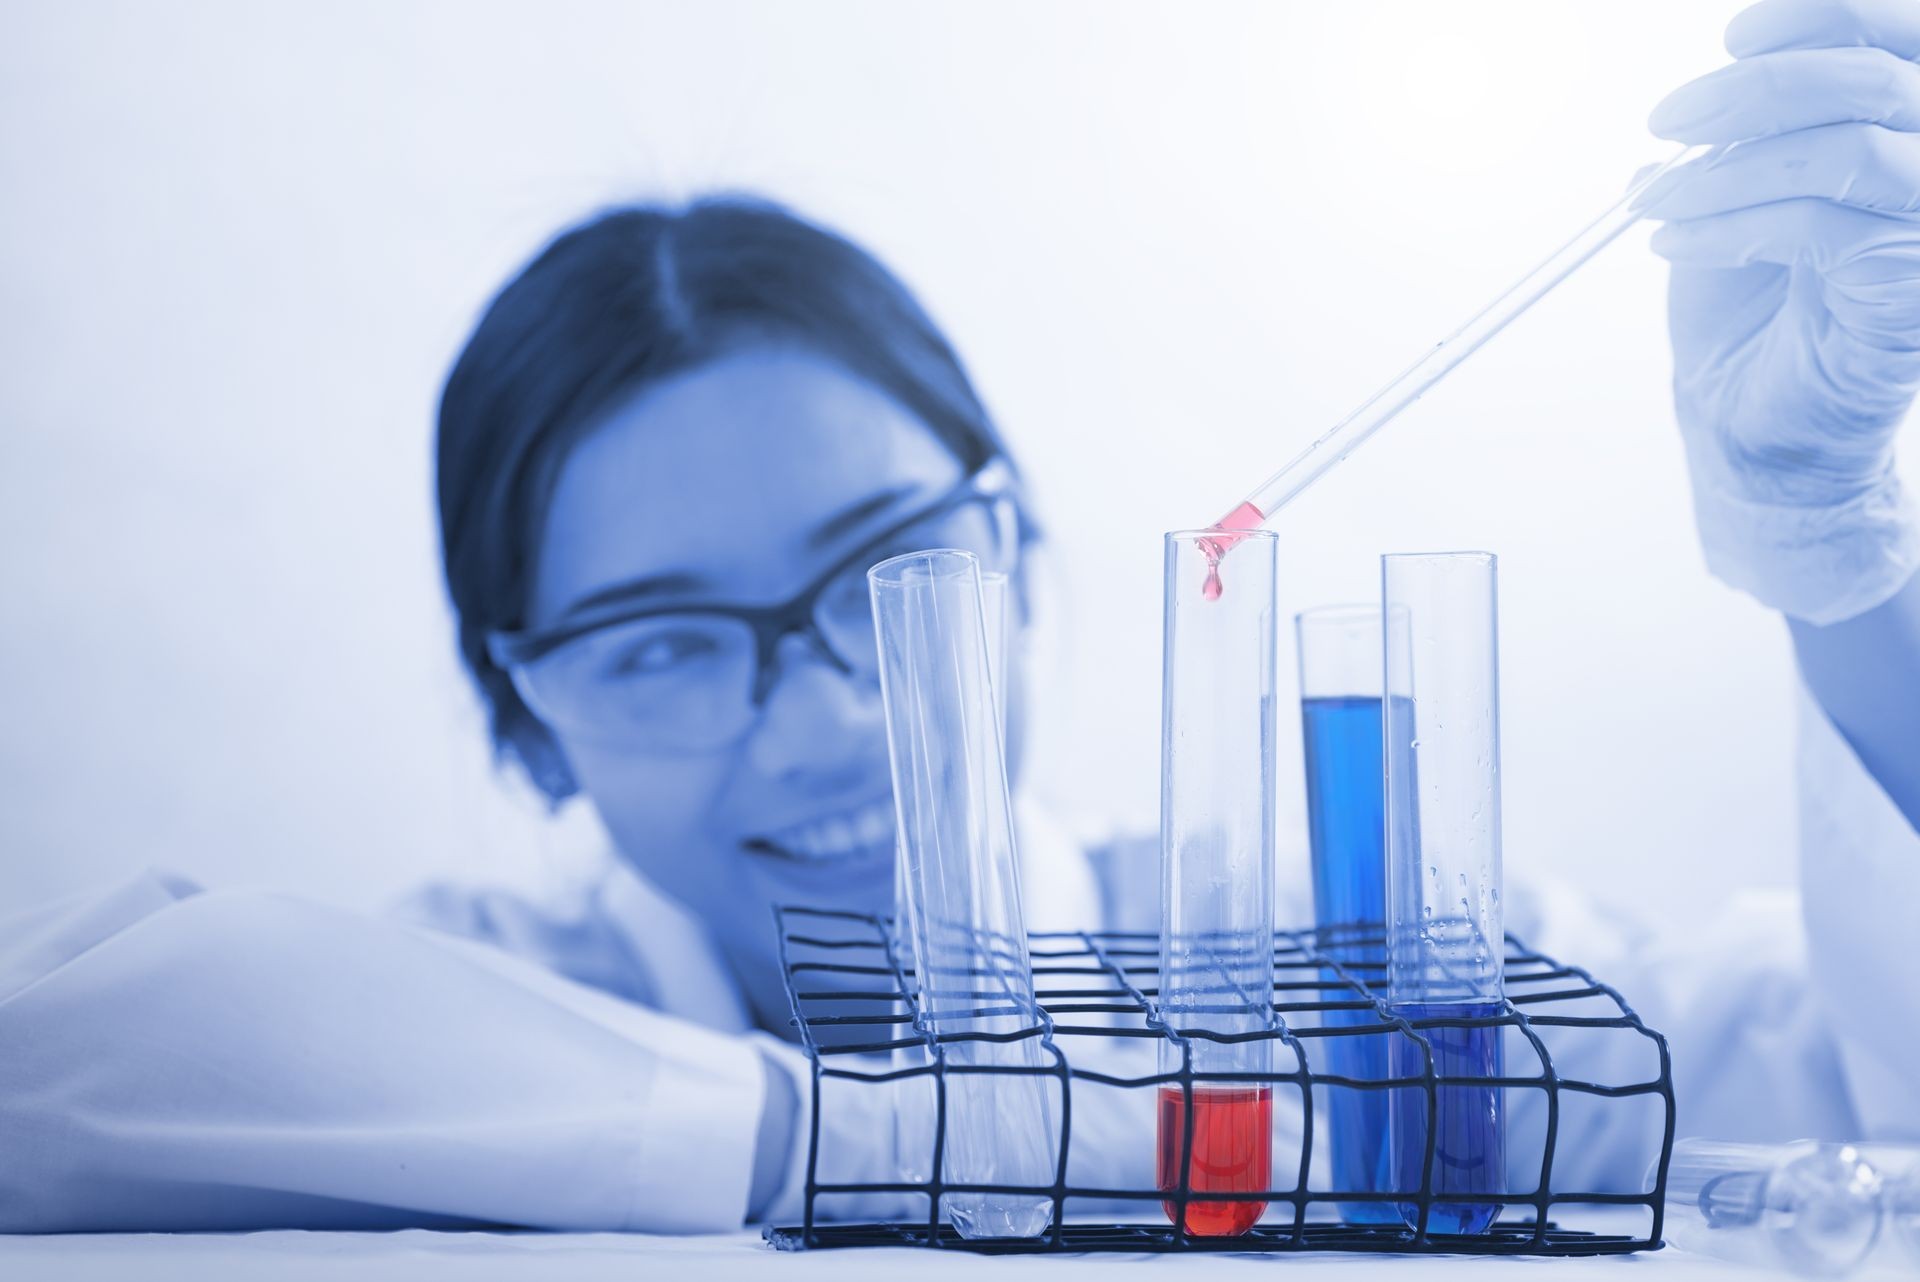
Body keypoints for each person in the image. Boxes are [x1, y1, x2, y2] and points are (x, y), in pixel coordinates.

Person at [0, 0, 1914, 1234]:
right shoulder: (458, 1006)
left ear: (1013, 550)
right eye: (665, 637)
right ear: (525, 716)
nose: (830, 711)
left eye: (883, 571)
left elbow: (1857, 1093)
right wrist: (883, 1132)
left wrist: (1830, 558)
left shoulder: (1321, 950)